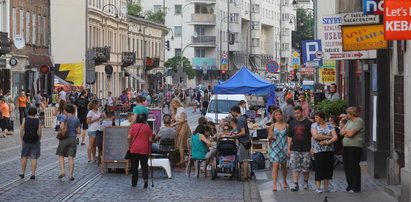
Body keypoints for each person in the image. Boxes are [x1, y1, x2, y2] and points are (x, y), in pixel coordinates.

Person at [311, 111, 338, 193]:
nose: (315, 119)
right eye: (315, 117)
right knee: (319, 168)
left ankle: (326, 187)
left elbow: (336, 137)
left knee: (328, 168)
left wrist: (327, 142)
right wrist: (329, 136)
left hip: (329, 150)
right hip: (318, 150)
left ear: (322, 117)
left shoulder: (330, 125)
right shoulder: (314, 125)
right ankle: (318, 187)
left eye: (317, 117)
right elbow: (316, 136)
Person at [287, 106, 312, 191]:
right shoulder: (292, 123)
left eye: (298, 113)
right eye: (295, 113)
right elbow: (289, 137)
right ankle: (295, 184)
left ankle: (305, 182)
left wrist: (312, 148)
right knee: (294, 166)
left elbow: (311, 137)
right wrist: (288, 148)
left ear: (302, 112)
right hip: (294, 148)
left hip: (306, 148)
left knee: (306, 167)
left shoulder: (308, 123)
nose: (296, 115)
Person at [340, 106, 364, 193]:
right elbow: (341, 131)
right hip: (346, 147)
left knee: (354, 167)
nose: (346, 115)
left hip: (355, 147)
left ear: (351, 114)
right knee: (347, 167)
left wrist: (347, 132)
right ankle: (350, 185)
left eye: (347, 113)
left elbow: (350, 134)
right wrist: (347, 132)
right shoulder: (349, 121)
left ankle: (356, 187)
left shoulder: (359, 121)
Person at [56, 105, 81, 181]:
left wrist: (60, 125)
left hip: (64, 139)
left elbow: (62, 127)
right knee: (71, 158)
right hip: (73, 139)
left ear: (66, 111)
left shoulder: (64, 117)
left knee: (61, 155)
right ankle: (70, 175)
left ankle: (63, 171)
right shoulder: (77, 119)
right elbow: (79, 131)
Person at [128, 113, 153, 188]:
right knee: (144, 165)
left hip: (134, 148)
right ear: (145, 119)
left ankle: (134, 183)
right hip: (144, 148)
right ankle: (145, 181)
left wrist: (130, 144)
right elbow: (150, 139)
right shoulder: (147, 127)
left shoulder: (133, 126)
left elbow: (129, 137)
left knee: (134, 166)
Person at [268, 109, 289, 191]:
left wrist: (289, 148)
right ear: (274, 117)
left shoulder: (287, 126)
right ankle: (274, 184)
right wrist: (271, 136)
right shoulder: (272, 126)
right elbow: (269, 137)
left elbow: (289, 137)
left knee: (284, 166)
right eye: (276, 115)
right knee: (275, 166)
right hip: (275, 147)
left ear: (282, 115)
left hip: (283, 147)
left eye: (279, 115)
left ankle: (284, 181)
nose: (278, 116)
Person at [19, 107, 42, 180]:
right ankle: (33, 174)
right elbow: (39, 131)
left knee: (24, 156)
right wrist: (39, 138)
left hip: (26, 139)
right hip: (35, 140)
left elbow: (22, 130)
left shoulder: (25, 119)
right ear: (35, 113)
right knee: (34, 157)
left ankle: (23, 173)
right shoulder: (38, 120)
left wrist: (22, 138)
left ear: (28, 112)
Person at [230, 105, 251, 180]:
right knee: (245, 158)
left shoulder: (240, 120)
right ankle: (247, 174)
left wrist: (235, 135)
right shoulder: (242, 118)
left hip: (244, 141)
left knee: (244, 159)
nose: (232, 114)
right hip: (246, 140)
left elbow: (243, 132)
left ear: (235, 112)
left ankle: (245, 176)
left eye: (232, 112)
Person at [170, 98, 192, 166]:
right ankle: (181, 159)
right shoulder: (176, 110)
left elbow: (182, 120)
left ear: (177, 103)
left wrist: (174, 124)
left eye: (174, 103)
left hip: (183, 126)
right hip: (179, 126)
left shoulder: (181, 109)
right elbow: (176, 119)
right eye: (172, 103)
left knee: (181, 143)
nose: (173, 105)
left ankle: (182, 160)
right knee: (179, 143)